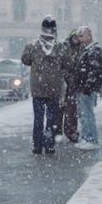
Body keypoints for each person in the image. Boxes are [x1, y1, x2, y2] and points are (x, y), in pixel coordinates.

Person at [21, 17, 67, 156]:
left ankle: (37, 146)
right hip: (54, 87)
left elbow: (25, 60)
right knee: (51, 119)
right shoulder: (60, 47)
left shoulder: (32, 45)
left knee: (38, 118)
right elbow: (67, 64)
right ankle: (49, 145)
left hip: (38, 87)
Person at [75, 25, 102, 149]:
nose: (79, 39)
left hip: (87, 88)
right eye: (78, 36)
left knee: (87, 114)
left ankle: (90, 139)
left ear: (88, 36)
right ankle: (86, 137)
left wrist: (88, 84)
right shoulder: (88, 50)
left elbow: (94, 70)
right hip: (83, 87)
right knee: (84, 114)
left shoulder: (94, 50)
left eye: (81, 36)